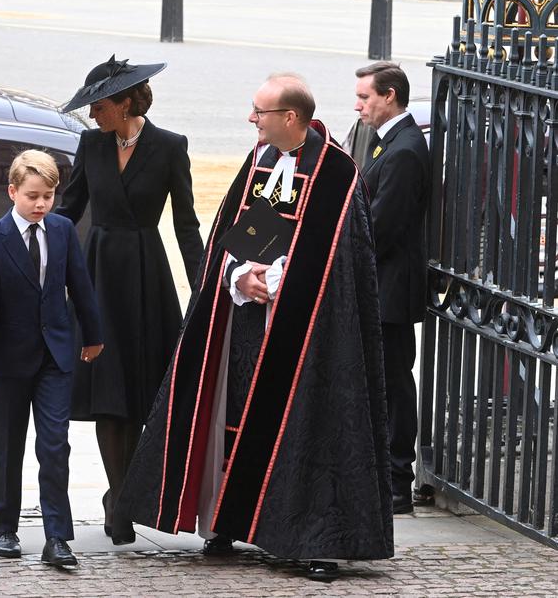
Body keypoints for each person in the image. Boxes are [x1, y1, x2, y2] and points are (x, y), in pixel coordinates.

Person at [118, 74, 393, 582]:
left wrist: (283, 277)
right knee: (236, 416)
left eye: (259, 112)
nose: (251, 119)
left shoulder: (336, 174)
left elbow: (340, 260)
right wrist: (240, 275)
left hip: (308, 333)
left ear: (290, 117)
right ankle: (227, 520)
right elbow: (239, 231)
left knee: (306, 424)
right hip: (249, 320)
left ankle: (314, 538)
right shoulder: (262, 159)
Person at [57, 55, 202, 544]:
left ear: (123, 104)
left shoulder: (170, 146)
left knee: (138, 397)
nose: (91, 114)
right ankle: (120, 498)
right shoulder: (91, 144)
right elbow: (68, 210)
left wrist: (203, 286)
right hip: (98, 275)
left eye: (98, 106)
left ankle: (123, 493)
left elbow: (186, 225)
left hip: (145, 277)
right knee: (107, 394)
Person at [0, 150, 103, 568]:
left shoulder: (62, 230)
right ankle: (5, 528)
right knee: (8, 447)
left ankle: (57, 537)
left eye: (48, 195)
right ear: (12, 192)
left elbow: (79, 284)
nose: (42, 204)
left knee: (55, 446)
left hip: (55, 356)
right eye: (33, 196)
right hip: (9, 360)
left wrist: (93, 335)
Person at [354, 62, 430, 515]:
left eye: (365, 97)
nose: (358, 106)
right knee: (384, 381)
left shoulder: (403, 150)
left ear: (389, 96)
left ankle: (399, 480)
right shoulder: (389, 141)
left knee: (394, 383)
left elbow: (382, 227)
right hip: (383, 283)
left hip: (392, 288)